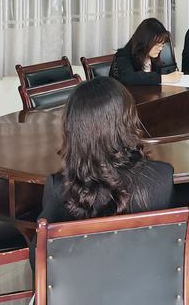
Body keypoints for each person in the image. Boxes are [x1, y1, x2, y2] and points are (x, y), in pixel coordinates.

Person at [30, 77, 174, 269]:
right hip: (149, 284)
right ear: (127, 121)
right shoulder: (163, 177)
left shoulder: (60, 187)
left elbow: (39, 259)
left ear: (74, 130)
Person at [109, 18, 183, 85]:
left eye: (162, 45)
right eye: (157, 45)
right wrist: (164, 78)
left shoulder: (153, 57)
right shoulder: (122, 56)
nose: (160, 49)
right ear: (145, 41)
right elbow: (128, 77)